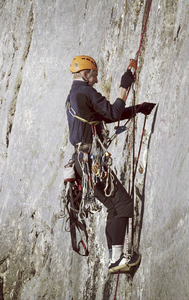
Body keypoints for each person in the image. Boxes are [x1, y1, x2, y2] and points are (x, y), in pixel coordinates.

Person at [65, 55, 155, 274]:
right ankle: (118, 259)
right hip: (91, 162)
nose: (96, 79)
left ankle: (114, 259)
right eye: (94, 75)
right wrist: (125, 84)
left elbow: (106, 117)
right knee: (123, 203)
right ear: (85, 74)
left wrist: (137, 108)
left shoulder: (73, 96)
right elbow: (113, 111)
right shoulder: (86, 92)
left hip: (80, 163)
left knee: (114, 207)